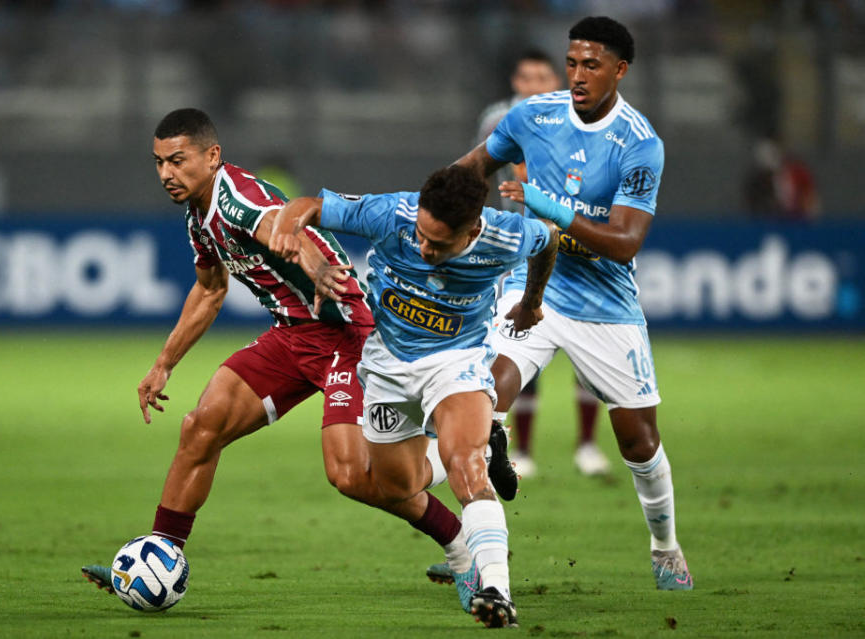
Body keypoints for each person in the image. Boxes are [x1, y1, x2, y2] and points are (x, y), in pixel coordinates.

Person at [79, 108, 472, 596]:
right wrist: (163, 364)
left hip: (345, 335)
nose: (166, 174)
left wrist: (317, 268)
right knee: (201, 427)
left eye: (177, 161)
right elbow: (208, 290)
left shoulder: (236, 197)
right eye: (159, 162)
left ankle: (460, 536)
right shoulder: (198, 217)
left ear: (212, 156)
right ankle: (156, 558)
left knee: (350, 476)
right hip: (290, 337)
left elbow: (285, 230)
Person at [454, 16, 694, 591]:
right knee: (482, 398)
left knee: (638, 441)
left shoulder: (639, 144)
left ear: (620, 69)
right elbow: (471, 170)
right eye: (572, 62)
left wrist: (549, 206)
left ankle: (665, 547)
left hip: (605, 303)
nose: (578, 74)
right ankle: (474, 552)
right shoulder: (533, 116)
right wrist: (434, 217)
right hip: (532, 284)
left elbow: (625, 243)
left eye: (592, 64)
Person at [269, 165, 558, 628]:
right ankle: (486, 439)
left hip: (456, 362)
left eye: (438, 244)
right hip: (387, 366)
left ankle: (497, 589)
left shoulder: (507, 236)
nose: (423, 248)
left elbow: (548, 238)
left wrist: (531, 300)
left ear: (472, 231)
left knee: (466, 467)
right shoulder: (392, 214)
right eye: (421, 235)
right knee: (401, 485)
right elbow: (311, 207)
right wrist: (288, 221)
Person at [477, 48, 610, 479]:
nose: (534, 85)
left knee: (586, 351)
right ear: (517, 83)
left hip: (575, 249)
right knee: (517, 343)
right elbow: (496, 172)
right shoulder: (500, 119)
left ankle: (588, 446)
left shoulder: (580, 117)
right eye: (526, 77)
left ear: (554, 80)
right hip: (517, 247)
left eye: (542, 77)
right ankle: (519, 449)